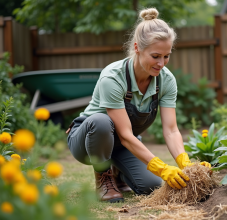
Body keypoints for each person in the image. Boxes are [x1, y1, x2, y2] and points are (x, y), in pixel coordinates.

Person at [66, 8, 211, 203]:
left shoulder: (166, 81)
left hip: (122, 144)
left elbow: (170, 130)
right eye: (155, 56)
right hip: (88, 141)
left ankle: (119, 173)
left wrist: (184, 163)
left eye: (166, 56)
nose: (161, 63)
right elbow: (125, 134)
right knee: (101, 122)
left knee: (150, 186)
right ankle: (103, 178)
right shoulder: (113, 77)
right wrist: (161, 167)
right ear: (137, 48)